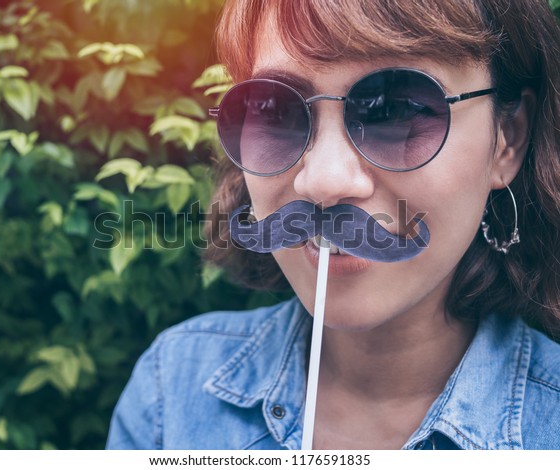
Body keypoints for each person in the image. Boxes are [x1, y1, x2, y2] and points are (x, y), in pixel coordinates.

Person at [106, 0, 560, 450]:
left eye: (395, 110)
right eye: (272, 110)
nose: (323, 181)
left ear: (508, 140)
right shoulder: (173, 391)